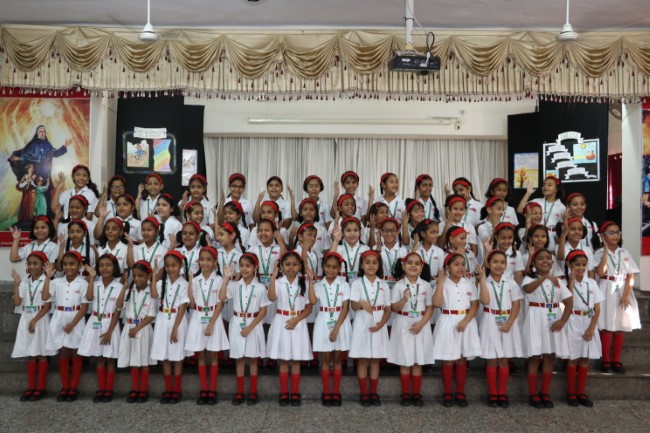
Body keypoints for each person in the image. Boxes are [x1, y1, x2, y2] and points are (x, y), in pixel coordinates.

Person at [521, 249, 572, 409]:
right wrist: (544, 277)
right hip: (536, 318)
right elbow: (527, 289)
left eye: (548, 258)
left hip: (553, 317)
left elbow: (569, 301)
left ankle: (545, 392)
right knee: (535, 357)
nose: (545, 261)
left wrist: (562, 321)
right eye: (540, 258)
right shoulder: (529, 278)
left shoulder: (558, 281)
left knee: (550, 356)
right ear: (533, 263)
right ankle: (532, 394)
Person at [219, 254, 270, 405]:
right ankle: (240, 391)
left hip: (253, 324)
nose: (244, 269)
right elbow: (222, 297)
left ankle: (253, 392)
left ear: (255, 268)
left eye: (248, 266)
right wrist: (226, 279)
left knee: (253, 359)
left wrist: (249, 328)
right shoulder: (235, 285)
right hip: (237, 323)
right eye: (242, 266)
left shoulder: (260, 288)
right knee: (239, 358)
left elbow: (263, 311)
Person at [432, 253, 481, 408]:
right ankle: (447, 392)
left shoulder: (469, 283)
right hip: (447, 320)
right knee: (448, 358)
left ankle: (460, 391)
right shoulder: (443, 283)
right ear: (447, 268)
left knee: (461, 358)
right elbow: (436, 303)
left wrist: (466, 321)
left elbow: (475, 305)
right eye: (456, 264)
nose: (461, 267)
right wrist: (440, 282)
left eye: (463, 264)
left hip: (466, 321)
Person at [593, 221, 641, 374]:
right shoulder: (598, 253)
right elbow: (600, 272)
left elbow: (631, 274)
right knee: (606, 325)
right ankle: (606, 360)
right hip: (606, 288)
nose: (615, 235)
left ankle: (616, 360)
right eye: (611, 233)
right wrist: (606, 251)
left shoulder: (624, 252)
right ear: (603, 236)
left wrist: (626, 295)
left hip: (623, 289)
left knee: (620, 326)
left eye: (617, 232)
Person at [267, 251, 314, 406]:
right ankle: (283, 392)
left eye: (294, 264)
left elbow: (309, 308)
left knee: (295, 360)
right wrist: (273, 277)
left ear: (300, 266)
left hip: (298, 322)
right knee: (283, 360)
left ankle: (294, 392)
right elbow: (271, 297)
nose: (291, 267)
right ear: (281, 266)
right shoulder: (278, 282)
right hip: (282, 321)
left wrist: (296, 320)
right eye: (287, 264)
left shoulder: (304, 283)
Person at [477, 250, 523, 408]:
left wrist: (510, 322)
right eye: (495, 262)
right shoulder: (484, 282)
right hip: (490, 320)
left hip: (507, 321)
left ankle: (502, 393)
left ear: (506, 265)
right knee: (492, 359)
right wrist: (482, 280)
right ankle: (492, 393)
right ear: (488, 264)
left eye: (502, 262)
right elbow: (485, 301)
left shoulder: (511, 283)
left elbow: (517, 304)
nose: (499, 265)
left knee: (504, 360)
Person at [388, 252, 435, 407]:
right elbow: (394, 308)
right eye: (409, 263)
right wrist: (403, 300)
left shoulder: (426, 285)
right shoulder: (398, 285)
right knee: (405, 360)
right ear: (403, 266)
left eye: (417, 263)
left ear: (421, 267)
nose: (413, 266)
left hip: (421, 323)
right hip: (403, 323)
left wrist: (422, 323)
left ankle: (416, 393)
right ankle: (405, 394)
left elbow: (430, 307)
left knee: (417, 361)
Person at [42, 252, 89, 402]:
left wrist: (72, 324)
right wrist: (48, 278)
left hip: (75, 318)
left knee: (75, 352)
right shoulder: (57, 282)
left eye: (72, 264)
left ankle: (73, 387)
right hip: (59, 317)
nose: (69, 267)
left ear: (79, 266)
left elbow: (84, 307)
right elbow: (45, 297)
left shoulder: (83, 283)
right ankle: (65, 386)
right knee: (62, 352)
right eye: (66, 264)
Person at [185, 247, 228, 405]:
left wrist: (211, 324)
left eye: (209, 260)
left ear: (215, 262)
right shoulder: (195, 280)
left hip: (213, 318)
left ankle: (212, 389)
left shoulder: (219, 280)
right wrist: (190, 282)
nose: (205, 263)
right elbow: (191, 304)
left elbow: (221, 303)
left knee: (213, 355)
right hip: (198, 317)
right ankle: (204, 389)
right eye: (202, 259)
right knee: (201, 355)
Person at [78, 254, 123, 403]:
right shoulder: (94, 284)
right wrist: (91, 278)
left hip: (111, 323)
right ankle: (101, 388)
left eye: (108, 265)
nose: (105, 268)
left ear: (114, 267)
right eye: (102, 265)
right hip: (95, 322)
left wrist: (110, 331)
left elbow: (117, 311)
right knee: (99, 357)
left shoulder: (119, 287)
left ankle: (109, 389)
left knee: (109, 358)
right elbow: (89, 298)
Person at [308, 252, 351, 407]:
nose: (331, 270)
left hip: (340, 322)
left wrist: (336, 329)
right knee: (325, 358)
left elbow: (346, 308)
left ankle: (336, 392)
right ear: (323, 267)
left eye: (334, 267)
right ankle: (327, 392)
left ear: (339, 269)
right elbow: (313, 301)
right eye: (328, 266)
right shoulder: (319, 285)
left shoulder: (344, 284)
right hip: (324, 320)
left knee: (338, 358)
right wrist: (311, 281)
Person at [349, 250, 391, 407]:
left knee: (375, 360)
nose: (371, 265)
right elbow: (353, 305)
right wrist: (361, 304)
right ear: (361, 265)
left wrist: (382, 324)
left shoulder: (384, 285)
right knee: (363, 359)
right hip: (362, 321)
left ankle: (373, 392)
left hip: (379, 321)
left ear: (379, 265)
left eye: (374, 262)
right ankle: (363, 393)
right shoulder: (357, 283)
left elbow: (388, 308)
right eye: (367, 262)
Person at [10, 251, 54, 402]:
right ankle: (31, 387)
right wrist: (16, 284)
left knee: (41, 353)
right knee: (31, 354)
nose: (32, 266)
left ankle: (41, 388)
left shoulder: (47, 281)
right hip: (26, 318)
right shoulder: (25, 282)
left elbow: (47, 306)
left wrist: (35, 320)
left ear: (43, 265)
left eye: (36, 263)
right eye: (29, 264)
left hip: (40, 318)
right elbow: (17, 302)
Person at [151, 250, 190, 404]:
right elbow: (154, 294)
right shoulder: (162, 283)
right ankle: (168, 389)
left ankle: (176, 390)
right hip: (162, 318)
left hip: (177, 320)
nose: (170, 268)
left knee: (177, 356)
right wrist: (154, 276)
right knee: (165, 356)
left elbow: (183, 306)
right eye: (167, 266)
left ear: (180, 266)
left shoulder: (184, 284)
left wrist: (175, 328)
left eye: (173, 265)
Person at [116, 260, 158, 403]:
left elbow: (151, 315)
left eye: (141, 276)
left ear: (148, 276)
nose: (137, 279)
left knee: (144, 361)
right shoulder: (130, 291)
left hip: (143, 328)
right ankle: (134, 389)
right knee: (133, 360)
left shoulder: (151, 292)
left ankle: (143, 390)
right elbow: (119, 306)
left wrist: (137, 328)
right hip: (129, 328)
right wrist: (124, 287)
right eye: (134, 276)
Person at [565, 250, 603, 407]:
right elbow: (567, 302)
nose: (581, 268)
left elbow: (597, 308)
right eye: (577, 265)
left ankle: (580, 392)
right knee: (573, 358)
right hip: (572, 320)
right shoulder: (565, 283)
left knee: (584, 358)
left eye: (583, 265)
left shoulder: (592, 283)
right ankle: (571, 393)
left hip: (588, 321)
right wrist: (571, 282)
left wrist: (591, 328)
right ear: (570, 265)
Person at [7, 125, 69, 211]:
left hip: (45, 173)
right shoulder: (32, 144)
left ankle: (46, 214)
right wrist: (19, 159)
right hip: (35, 173)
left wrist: (64, 147)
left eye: (44, 131)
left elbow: (55, 153)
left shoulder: (48, 144)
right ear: (37, 133)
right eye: (41, 131)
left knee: (46, 194)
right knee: (33, 196)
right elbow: (26, 156)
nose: (42, 133)